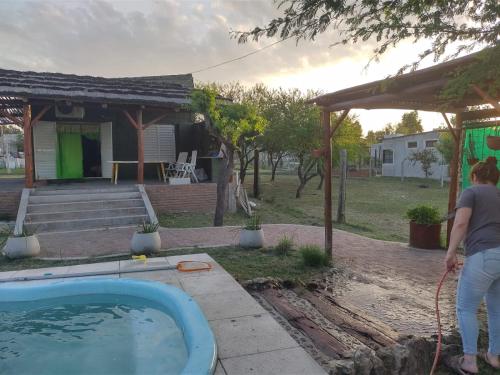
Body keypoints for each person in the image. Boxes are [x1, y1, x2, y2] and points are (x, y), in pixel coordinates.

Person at [445, 156, 500, 374]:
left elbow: (460, 222)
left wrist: (450, 253)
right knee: (497, 310)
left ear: (475, 176)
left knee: (466, 308)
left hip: (483, 256)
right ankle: (494, 356)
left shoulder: (471, 192)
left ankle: (469, 361)